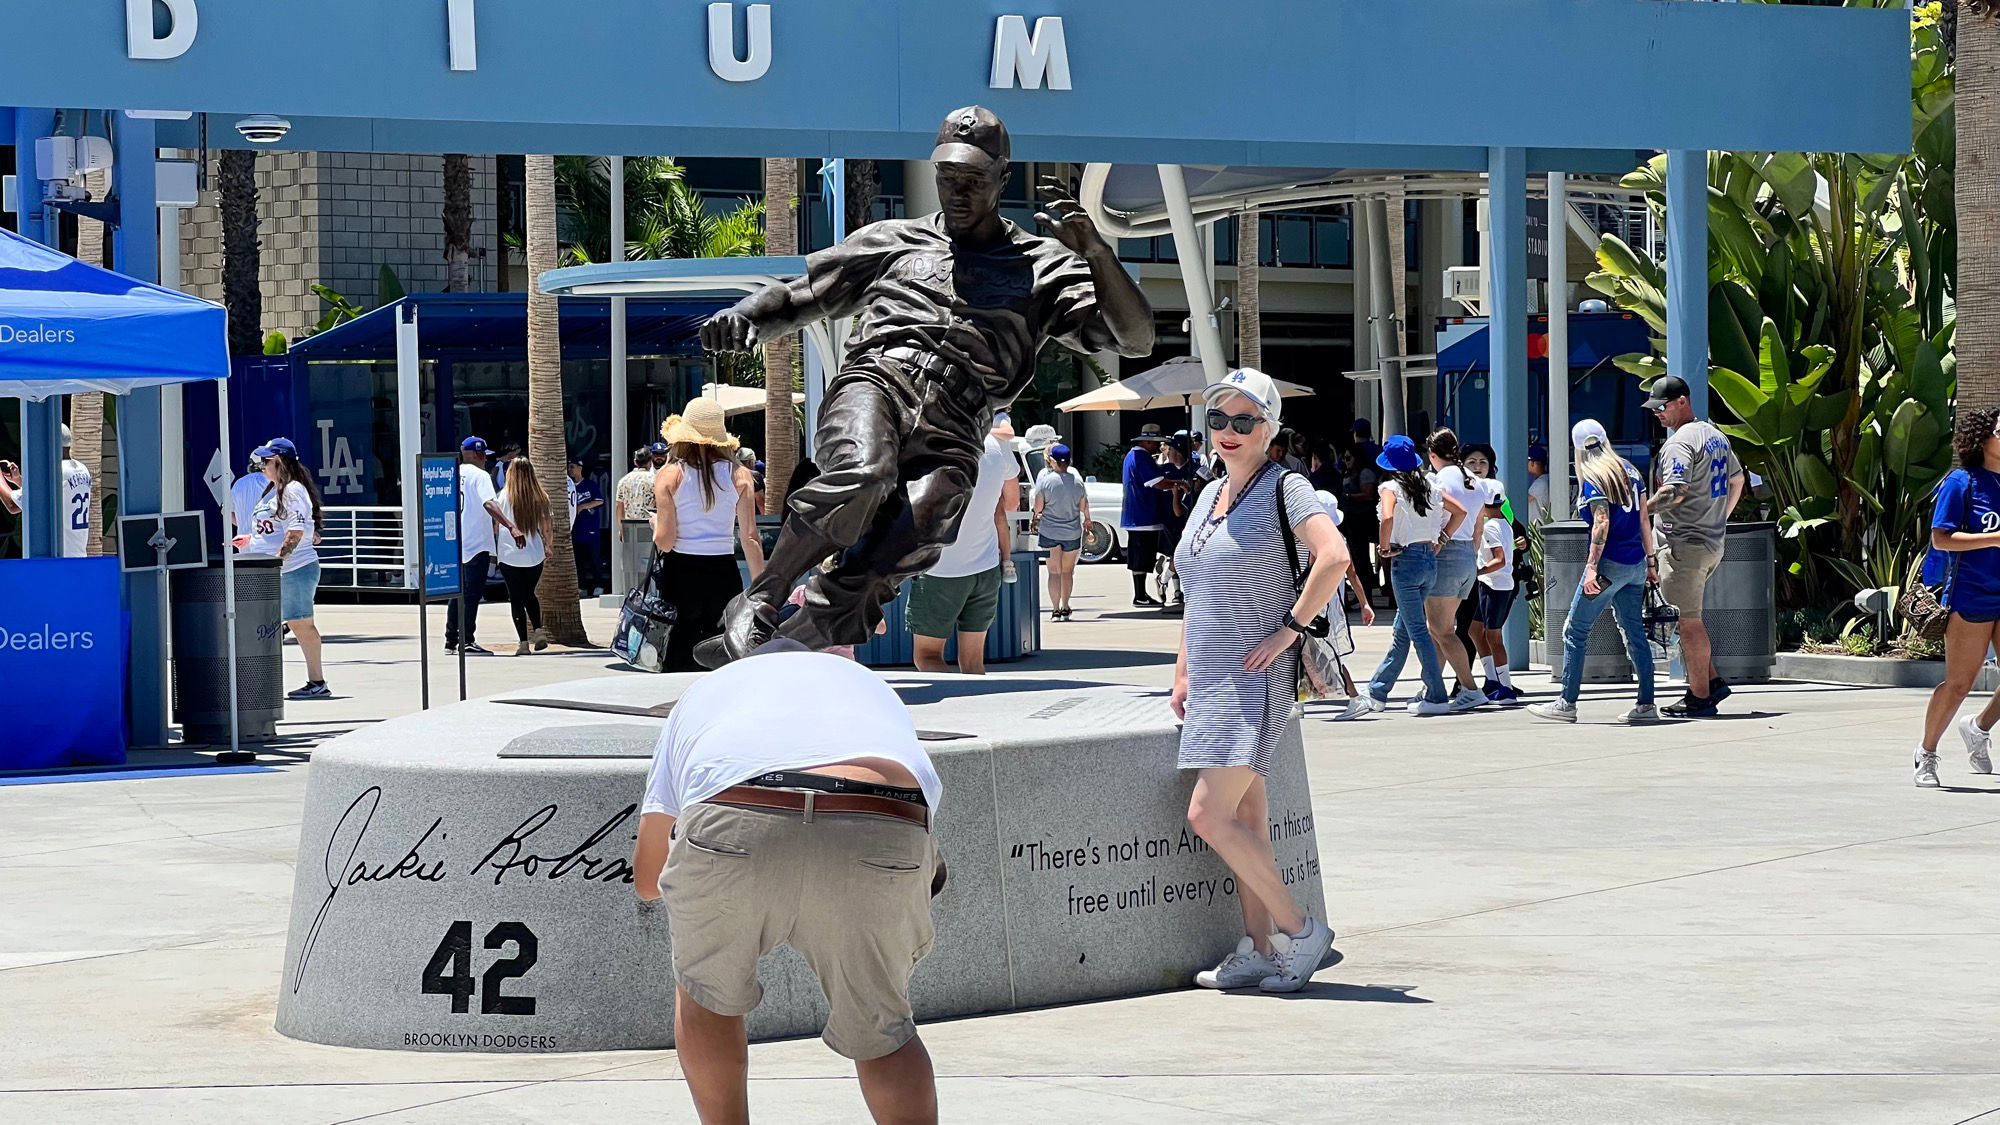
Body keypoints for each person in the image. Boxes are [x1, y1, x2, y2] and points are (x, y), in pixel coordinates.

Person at [695, 106, 1154, 665]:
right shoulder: (893, 240)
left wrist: (1097, 252)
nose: (958, 193)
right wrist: (745, 316)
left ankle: (790, 643)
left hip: (959, 421)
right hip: (879, 380)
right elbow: (797, 296)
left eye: (974, 180)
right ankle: (759, 602)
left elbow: (1134, 340)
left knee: (915, 533)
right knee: (864, 473)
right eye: (948, 178)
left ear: (1003, 180)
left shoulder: (1044, 266)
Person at [632, 642, 945, 1125]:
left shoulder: (706, 692)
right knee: (883, 1027)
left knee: (706, 997)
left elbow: (648, 878)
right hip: (881, 814)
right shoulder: (870, 686)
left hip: (737, 808)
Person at [1172, 369, 1345, 992]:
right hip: (1213, 680)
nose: (1228, 432)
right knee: (1246, 820)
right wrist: (1183, 669)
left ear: (1269, 429)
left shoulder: (1287, 487)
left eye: (1244, 421)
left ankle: (1302, 932)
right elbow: (1195, 589)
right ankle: (1258, 946)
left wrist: (1291, 630)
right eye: (1219, 420)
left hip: (1253, 682)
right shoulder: (1208, 494)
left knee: (1207, 816)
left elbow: (1335, 557)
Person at [1529, 420, 1660, 724]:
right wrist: (1651, 563)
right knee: (1633, 631)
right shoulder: (1630, 472)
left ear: (1578, 449)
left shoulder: (1594, 478)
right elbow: (1644, 519)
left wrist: (1590, 568)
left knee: (1575, 630)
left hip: (1609, 565)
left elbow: (1601, 522)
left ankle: (1567, 702)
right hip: (1636, 564)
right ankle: (1646, 705)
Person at [1338, 435, 1467, 720]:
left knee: (1416, 631)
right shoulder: (1430, 486)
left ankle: (1435, 694)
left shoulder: (1390, 488)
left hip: (1405, 560)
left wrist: (1384, 549)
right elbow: (1460, 511)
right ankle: (1378, 690)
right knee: (1403, 631)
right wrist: (1442, 538)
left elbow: (1386, 518)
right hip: (1428, 559)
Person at [1644, 374, 1746, 718]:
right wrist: (1719, 519)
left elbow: (1675, 490)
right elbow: (1738, 480)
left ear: (1683, 401)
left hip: (1683, 543)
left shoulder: (1679, 443)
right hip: (1711, 541)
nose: (1658, 413)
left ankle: (1699, 698)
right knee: (1689, 619)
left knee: (1687, 622)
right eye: (1654, 408)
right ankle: (1712, 682)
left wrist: (1640, 513)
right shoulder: (1715, 436)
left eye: (1663, 406)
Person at [1913, 408, 2000, 787]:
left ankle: (1978, 728)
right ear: (1982, 440)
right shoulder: (1962, 482)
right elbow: (1941, 538)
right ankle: (1927, 753)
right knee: (1960, 683)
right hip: (1972, 593)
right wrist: (1996, 538)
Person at [652, 400, 768, 673]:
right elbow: (750, 537)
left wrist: (656, 523)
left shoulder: (669, 476)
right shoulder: (740, 475)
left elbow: (665, 541)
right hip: (723, 571)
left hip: (681, 572)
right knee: (721, 654)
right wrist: (763, 590)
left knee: (678, 651)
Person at [908, 420, 1019, 674]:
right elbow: (1012, 502)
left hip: (940, 569)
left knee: (927, 655)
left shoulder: (932, 442)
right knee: (972, 663)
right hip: (985, 566)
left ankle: (952, 711)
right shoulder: (997, 444)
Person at [247, 438, 331, 700]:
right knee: (291, 624)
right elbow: (276, 529)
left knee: (301, 624)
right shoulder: (276, 489)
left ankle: (317, 681)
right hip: (280, 569)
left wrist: (276, 560)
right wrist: (251, 542)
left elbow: (295, 532)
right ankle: (311, 681)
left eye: (266, 462)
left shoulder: (292, 491)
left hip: (293, 569)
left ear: (279, 462)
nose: (262, 467)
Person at [1425, 428, 1496, 711]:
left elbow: (1434, 519)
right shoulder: (1475, 482)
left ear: (1432, 455)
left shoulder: (1438, 481)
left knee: (1442, 630)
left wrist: (1439, 542)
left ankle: (1469, 688)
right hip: (1468, 554)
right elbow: (1479, 526)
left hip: (1447, 553)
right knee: (1439, 629)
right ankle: (1432, 687)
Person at [446, 437, 528, 656]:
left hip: (454, 542)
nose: (485, 460)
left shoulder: (452, 473)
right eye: (484, 456)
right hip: (476, 544)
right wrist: (511, 526)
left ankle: (450, 639)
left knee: (456, 593)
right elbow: (489, 503)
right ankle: (467, 640)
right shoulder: (481, 476)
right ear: (479, 454)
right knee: (472, 595)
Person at [0, 424, 93, 557]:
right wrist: (19, 481)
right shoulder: (82, 469)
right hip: (78, 554)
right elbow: (53, 495)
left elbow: (13, 505)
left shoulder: (54, 472)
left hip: (58, 558)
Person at [496, 458, 554, 656]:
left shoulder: (503, 496)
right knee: (529, 592)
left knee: (516, 598)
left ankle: (523, 643)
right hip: (534, 554)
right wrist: (549, 545)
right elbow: (546, 525)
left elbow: (495, 526)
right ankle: (538, 630)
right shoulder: (540, 496)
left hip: (509, 553)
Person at [1031, 442, 1089, 621]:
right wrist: (1088, 519)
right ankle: (1065, 606)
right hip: (1072, 532)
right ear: (1069, 461)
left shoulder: (1045, 482)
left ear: (1052, 461)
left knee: (1054, 572)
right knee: (1067, 571)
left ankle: (1055, 609)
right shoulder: (1078, 482)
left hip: (1050, 532)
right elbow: (1084, 506)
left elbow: (1038, 508)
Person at [1472, 510, 1522, 705]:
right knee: (1475, 631)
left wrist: (1478, 571)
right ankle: (1493, 680)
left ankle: (1506, 688)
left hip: (1494, 585)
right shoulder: (1503, 524)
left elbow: (1499, 559)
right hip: (1492, 584)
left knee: (1493, 636)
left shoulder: (1491, 526)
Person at [1121, 424, 1168, 607]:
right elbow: (1157, 483)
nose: (1157, 447)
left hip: (1137, 515)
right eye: (1155, 443)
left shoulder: (1132, 456)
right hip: (1143, 515)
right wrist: (1177, 484)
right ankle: (1140, 596)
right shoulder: (1142, 457)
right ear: (1148, 442)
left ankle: (1141, 594)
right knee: (1141, 557)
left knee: (1140, 557)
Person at [1337, 445, 1382, 607]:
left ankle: (1367, 597)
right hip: (1352, 522)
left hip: (1364, 520)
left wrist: (1348, 496)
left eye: (1349, 458)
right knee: (1357, 560)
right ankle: (1363, 595)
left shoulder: (1365, 473)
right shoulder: (1348, 474)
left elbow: (1368, 494)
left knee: (1362, 561)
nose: (1345, 462)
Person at [568, 460, 608, 597]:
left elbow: (600, 501)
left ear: (580, 468)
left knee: (594, 558)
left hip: (590, 528)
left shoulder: (590, 484)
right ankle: (582, 586)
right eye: (569, 467)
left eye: (572, 467)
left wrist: (583, 506)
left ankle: (599, 584)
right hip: (575, 529)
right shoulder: (569, 486)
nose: (570, 470)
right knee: (578, 560)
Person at [228, 451, 270, 548]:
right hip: (268, 546)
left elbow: (225, 511)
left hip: (244, 545)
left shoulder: (238, 483)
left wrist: (243, 524)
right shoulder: (274, 483)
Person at [615, 445, 658, 527]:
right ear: (650, 462)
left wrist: (621, 528)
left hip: (629, 527)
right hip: (649, 526)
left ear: (635, 462)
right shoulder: (655, 480)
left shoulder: (623, 481)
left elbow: (619, 506)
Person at [1525, 443, 1551, 525]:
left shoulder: (1542, 482)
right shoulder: (1542, 479)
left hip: (1538, 531)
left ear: (1533, 463)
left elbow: (1525, 500)